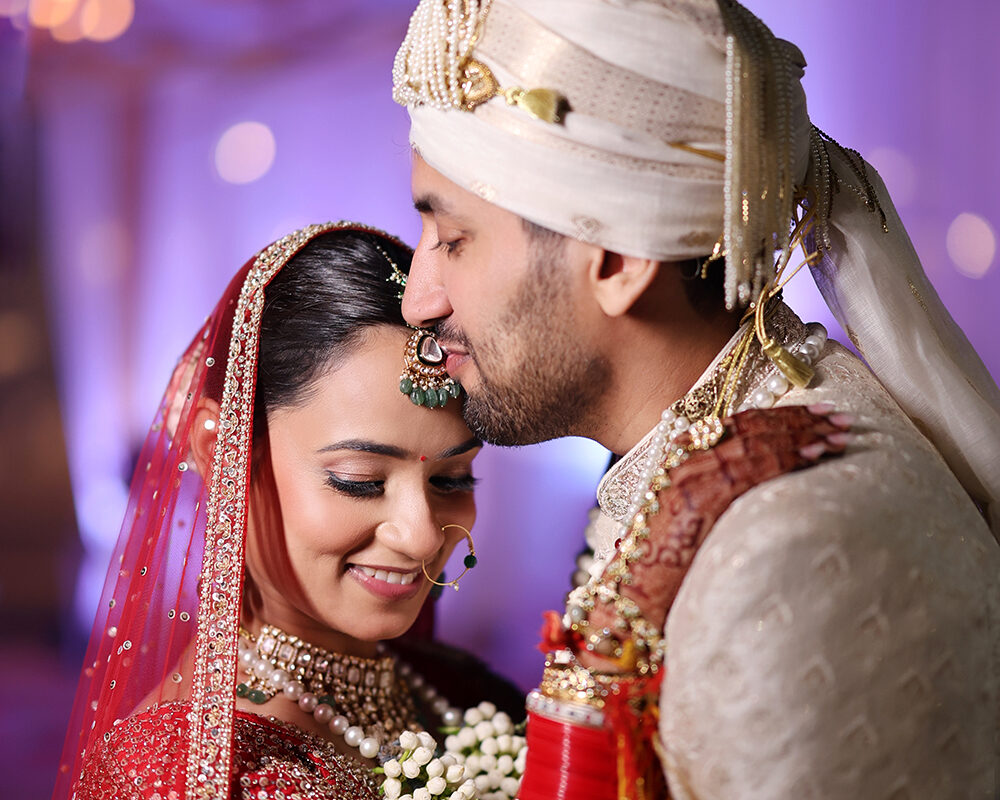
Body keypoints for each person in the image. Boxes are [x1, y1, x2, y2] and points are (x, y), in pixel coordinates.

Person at [391, 1, 1000, 797]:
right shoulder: (695, 444)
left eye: (453, 240)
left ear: (617, 259)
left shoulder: (787, 550)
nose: (419, 300)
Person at [52, 223, 524, 800]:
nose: (422, 536)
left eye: (452, 479)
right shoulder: (185, 776)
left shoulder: (459, 690)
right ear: (221, 450)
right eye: (360, 481)